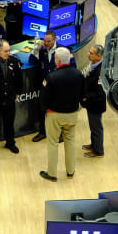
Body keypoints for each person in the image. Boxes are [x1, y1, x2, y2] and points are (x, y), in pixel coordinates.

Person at [39, 47, 84, 181]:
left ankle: (52, 174)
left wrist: (44, 110)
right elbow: (83, 94)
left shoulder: (51, 76)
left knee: (53, 143)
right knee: (70, 141)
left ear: (58, 61)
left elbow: (44, 97)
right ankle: (70, 171)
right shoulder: (78, 74)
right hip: (72, 114)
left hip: (54, 114)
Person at [30, 30, 59, 143]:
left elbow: (71, 66)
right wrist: (37, 48)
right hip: (44, 87)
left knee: (58, 111)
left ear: (54, 40)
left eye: (49, 41)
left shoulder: (62, 50)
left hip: (57, 87)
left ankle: (59, 133)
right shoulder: (42, 50)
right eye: (45, 41)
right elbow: (31, 61)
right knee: (42, 110)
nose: (46, 43)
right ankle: (42, 132)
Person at [82, 45, 106, 158]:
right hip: (91, 104)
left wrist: (86, 97)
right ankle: (94, 144)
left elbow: (100, 92)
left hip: (96, 104)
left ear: (99, 56)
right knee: (93, 126)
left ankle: (98, 151)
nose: (88, 54)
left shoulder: (101, 71)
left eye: (91, 53)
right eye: (89, 52)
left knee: (96, 127)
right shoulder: (93, 65)